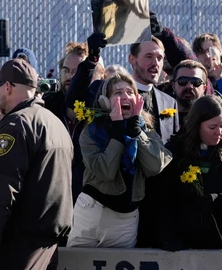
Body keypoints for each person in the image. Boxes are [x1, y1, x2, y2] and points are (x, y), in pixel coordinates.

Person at [0, 58, 73, 270]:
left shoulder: (16, 126)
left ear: (7, 87)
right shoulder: (54, 122)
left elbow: (1, 192)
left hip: (24, 244)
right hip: (49, 240)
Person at [67, 73, 172, 248]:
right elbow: (105, 171)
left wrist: (136, 132)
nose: (125, 96)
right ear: (105, 102)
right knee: (79, 268)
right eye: (117, 93)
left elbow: (154, 166)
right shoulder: (91, 132)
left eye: (130, 92)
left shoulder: (144, 129)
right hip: (92, 210)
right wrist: (117, 134)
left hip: (126, 216)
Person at [157, 95, 222, 251]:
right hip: (186, 244)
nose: (219, 132)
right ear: (196, 126)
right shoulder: (175, 152)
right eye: (212, 127)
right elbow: (162, 202)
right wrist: (167, 238)